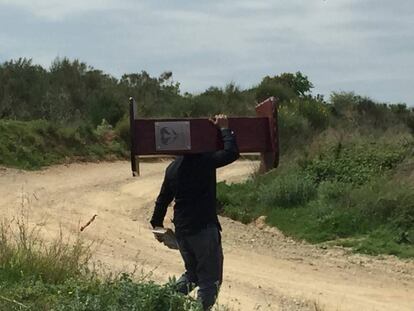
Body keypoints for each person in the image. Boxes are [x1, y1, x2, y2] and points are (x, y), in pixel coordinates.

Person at [150, 114, 239, 310]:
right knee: (210, 280)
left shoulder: (172, 168)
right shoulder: (203, 161)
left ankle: (158, 301)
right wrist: (224, 128)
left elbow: (163, 199)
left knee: (192, 275)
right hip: (203, 229)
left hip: (183, 230)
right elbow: (231, 153)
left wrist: (156, 224)